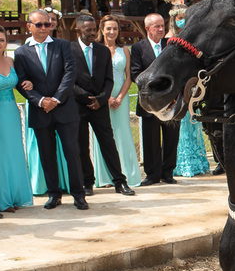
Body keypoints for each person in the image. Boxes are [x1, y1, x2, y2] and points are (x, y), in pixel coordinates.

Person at [16, 8, 87, 210]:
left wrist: (55, 99)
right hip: (40, 111)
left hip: (65, 109)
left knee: (72, 152)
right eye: (39, 25)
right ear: (29, 26)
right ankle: (54, 193)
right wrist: (40, 101)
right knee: (47, 155)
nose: (44, 28)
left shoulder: (63, 46)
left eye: (47, 24)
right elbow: (21, 81)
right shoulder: (21, 53)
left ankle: (79, 194)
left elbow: (70, 73)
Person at [72, 14, 134, 196]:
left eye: (94, 29)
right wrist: (86, 98)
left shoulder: (103, 51)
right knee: (82, 145)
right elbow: (69, 80)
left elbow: (109, 80)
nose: (92, 33)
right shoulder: (68, 50)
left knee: (108, 143)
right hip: (78, 105)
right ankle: (88, 182)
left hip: (100, 105)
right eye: (88, 30)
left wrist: (101, 99)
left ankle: (120, 182)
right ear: (78, 30)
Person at [0, 25, 33, 212]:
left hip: (12, 112)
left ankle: (16, 196)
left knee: (14, 153)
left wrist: (26, 83)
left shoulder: (11, 61)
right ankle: (1, 200)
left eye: (2, 40)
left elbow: (19, 83)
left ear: (6, 43)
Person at [131, 13, 178, 185]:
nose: (161, 29)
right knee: (151, 140)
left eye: (162, 26)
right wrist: (157, 85)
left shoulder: (171, 45)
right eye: (156, 27)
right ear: (147, 29)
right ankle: (152, 174)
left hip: (170, 101)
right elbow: (135, 73)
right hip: (149, 102)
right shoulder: (138, 48)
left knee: (171, 137)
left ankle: (168, 172)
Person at [96, 15, 144, 184]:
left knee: (123, 133)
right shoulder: (96, 49)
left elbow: (129, 77)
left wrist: (120, 97)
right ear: (102, 30)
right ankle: (106, 176)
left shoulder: (124, 50)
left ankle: (127, 173)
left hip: (121, 98)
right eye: (108, 28)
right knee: (104, 135)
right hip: (102, 97)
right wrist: (107, 98)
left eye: (115, 28)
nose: (112, 32)